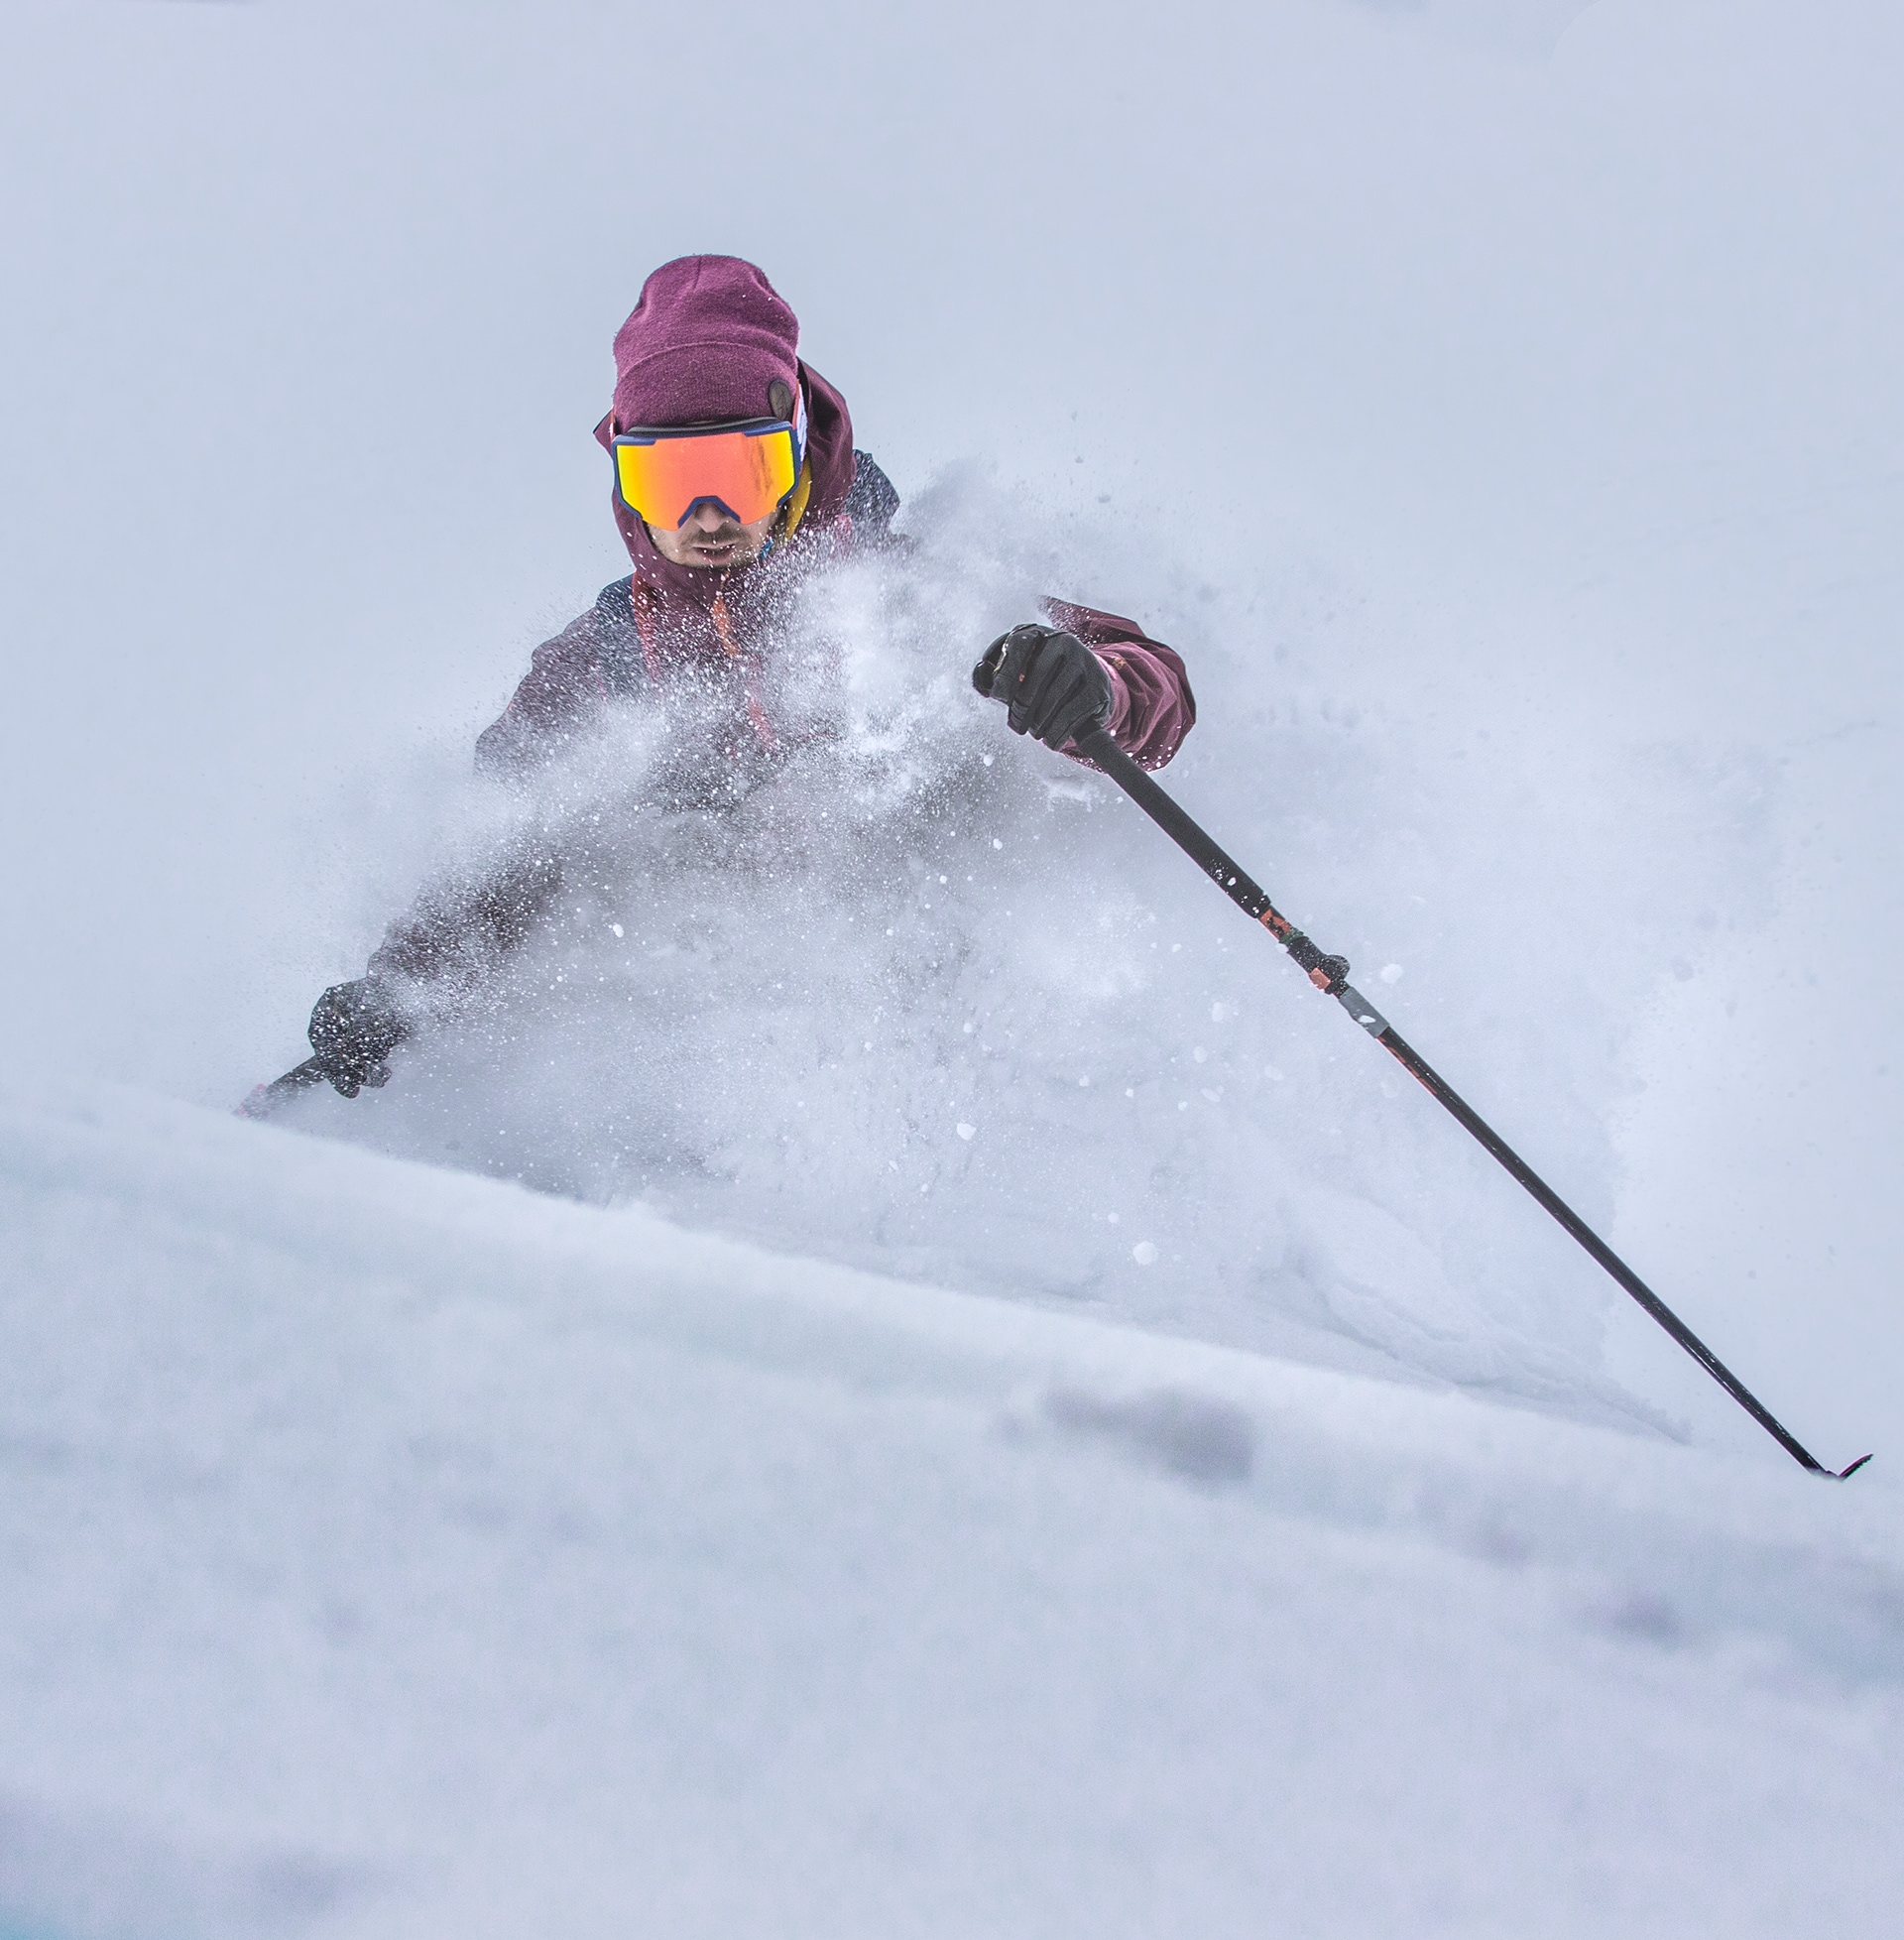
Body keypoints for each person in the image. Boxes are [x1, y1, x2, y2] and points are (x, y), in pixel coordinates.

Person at [305, 255, 1197, 1098]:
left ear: (798, 456)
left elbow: (1153, 691)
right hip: (741, 1044)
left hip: (951, 1007)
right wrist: (402, 990)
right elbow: (509, 844)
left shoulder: (905, 594)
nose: (706, 517)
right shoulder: (610, 660)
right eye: (667, 479)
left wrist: (1099, 687)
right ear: (622, 478)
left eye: (741, 471)